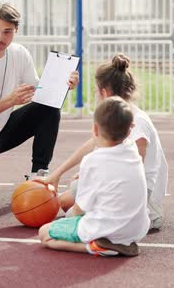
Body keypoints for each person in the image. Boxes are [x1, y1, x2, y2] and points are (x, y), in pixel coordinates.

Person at [0, 3, 79, 207]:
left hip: (4, 128)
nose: (0, 38)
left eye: (7, 32)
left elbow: (42, 94)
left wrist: (65, 86)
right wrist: (10, 101)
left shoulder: (20, 54)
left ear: (16, 31)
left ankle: (38, 175)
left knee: (49, 107)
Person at [46, 53, 168, 230]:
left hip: (138, 196)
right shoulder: (117, 114)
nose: (94, 94)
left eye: (95, 90)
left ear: (105, 92)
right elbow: (92, 144)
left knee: (72, 207)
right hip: (118, 185)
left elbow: (135, 173)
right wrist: (56, 174)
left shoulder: (137, 122)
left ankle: (145, 215)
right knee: (67, 197)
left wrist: (95, 175)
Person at [38, 97, 150, 256]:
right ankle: (112, 243)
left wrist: (66, 220)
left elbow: (79, 209)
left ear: (95, 130)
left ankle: (96, 246)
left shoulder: (92, 161)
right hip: (135, 231)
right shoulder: (131, 148)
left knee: (45, 233)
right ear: (129, 131)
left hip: (105, 230)